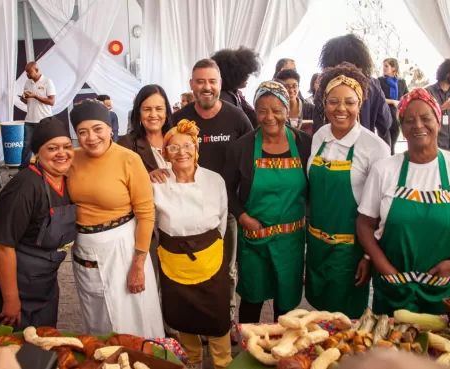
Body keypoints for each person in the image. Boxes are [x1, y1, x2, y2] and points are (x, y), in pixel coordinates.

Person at [357, 88, 450, 316]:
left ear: (438, 119)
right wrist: (382, 266)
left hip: (441, 288)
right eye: (409, 120)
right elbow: (365, 225)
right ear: (402, 129)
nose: (418, 125)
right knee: (390, 348)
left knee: (440, 344)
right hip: (393, 286)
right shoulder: (384, 170)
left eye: (425, 118)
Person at [157, 58, 252, 344]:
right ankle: (189, 323)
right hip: (182, 209)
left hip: (225, 209)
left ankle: (225, 318)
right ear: (192, 85)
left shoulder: (237, 118)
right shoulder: (179, 117)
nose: (206, 87)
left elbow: (249, 161)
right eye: (200, 82)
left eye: (212, 81)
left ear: (220, 84)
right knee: (182, 268)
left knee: (226, 268)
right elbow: (166, 149)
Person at [0, 117, 75, 330]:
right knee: (10, 352)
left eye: (67, 147)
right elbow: (2, 246)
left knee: (43, 349)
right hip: (4, 280)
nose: (61, 153)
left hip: (41, 283)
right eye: (52, 148)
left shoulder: (68, 181)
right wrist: (10, 300)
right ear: (37, 152)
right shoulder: (25, 187)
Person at [67, 100, 164, 337]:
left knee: (133, 319)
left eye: (98, 129)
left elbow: (145, 214)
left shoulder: (129, 159)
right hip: (84, 249)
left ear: (111, 128)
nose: (91, 137)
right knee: (97, 317)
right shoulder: (71, 159)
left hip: (125, 250)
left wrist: (139, 265)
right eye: (83, 131)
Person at [306, 63, 390, 318]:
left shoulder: (374, 147)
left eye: (349, 102)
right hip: (318, 246)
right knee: (320, 316)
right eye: (333, 101)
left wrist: (368, 256)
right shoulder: (319, 136)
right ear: (324, 103)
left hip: (350, 251)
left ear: (360, 104)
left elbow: (383, 210)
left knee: (347, 319)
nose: (341, 109)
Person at [223, 81, 311, 323]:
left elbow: (313, 191)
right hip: (254, 242)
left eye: (276, 110)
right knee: (251, 302)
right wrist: (242, 217)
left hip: (290, 243)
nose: (269, 117)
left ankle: (283, 353)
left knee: (287, 306)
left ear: (287, 110)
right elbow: (227, 189)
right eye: (262, 110)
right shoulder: (242, 147)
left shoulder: (304, 145)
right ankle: (249, 352)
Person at [154, 120, 231, 369]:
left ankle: (222, 363)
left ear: (197, 149)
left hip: (210, 257)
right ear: (165, 153)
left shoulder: (214, 180)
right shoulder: (156, 183)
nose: (181, 152)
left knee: (218, 319)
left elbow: (222, 222)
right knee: (182, 317)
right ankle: (193, 361)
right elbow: (152, 223)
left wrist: (206, 246)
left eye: (187, 146)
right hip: (173, 259)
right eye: (173, 148)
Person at [312, 34, 392, 144]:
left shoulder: (324, 88)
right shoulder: (373, 85)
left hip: (330, 154)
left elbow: (318, 129)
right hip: (365, 152)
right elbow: (385, 125)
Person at [118, 84, 173, 173]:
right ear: (138, 113)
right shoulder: (127, 144)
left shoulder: (176, 140)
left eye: (159, 109)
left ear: (166, 112)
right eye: (147, 109)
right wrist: (146, 177)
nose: (153, 115)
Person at [211, 46, 262, 128]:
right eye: (245, 74)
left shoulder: (235, 93)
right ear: (233, 75)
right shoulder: (223, 99)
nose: (248, 76)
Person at [19, 62, 56, 169]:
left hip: (43, 119)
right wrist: (24, 99)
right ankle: (23, 171)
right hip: (29, 119)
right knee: (26, 146)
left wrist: (35, 96)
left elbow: (52, 102)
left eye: (29, 72)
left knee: (44, 145)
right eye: (26, 72)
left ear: (36, 70)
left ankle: (45, 168)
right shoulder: (27, 83)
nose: (27, 74)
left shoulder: (47, 82)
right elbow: (28, 102)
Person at [425, 58, 450, 153]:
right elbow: (425, 115)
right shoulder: (428, 91)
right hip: (436, 143)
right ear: (447, 72)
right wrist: (442, 107)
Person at [379, 58, 409, 155]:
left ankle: (391, 169)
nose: (384, 68)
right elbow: (378, 98)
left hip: (396, 119)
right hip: (383, 118)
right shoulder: (379, 81)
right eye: (383, 66)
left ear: (394, 68)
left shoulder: (402, 83)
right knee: (386, 147)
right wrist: (393, 101)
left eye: (386, 66)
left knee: (392, 149)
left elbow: (407, 98)